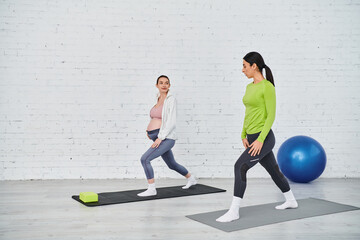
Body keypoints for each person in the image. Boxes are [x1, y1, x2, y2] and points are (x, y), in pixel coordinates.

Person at [216, 52, 298, 222]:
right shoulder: (249, 87)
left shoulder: (267, 87)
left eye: (245, 66)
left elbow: (271, 116)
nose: (242, 70)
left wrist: (260, 140)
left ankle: (234, 211)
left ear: (254, 66)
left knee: (240, 166)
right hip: (252, 137)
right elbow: (248, 112)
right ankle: (291, 200)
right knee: (274, 171)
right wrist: (243, 133)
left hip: (264, 138)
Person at [137, 75, 197, 197]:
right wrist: (149, 131)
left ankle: (152, 189)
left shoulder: (171, 100)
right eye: (161, 83)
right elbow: (155, 117)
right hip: (157, 136)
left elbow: (171, 122)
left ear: (169, 85)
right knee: (172, 164)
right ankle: (191, 178)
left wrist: (160, 137)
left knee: (145, 159)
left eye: (166, 83)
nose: (164, 85)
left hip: (166, 138)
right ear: (157, 85)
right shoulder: (157, 98)